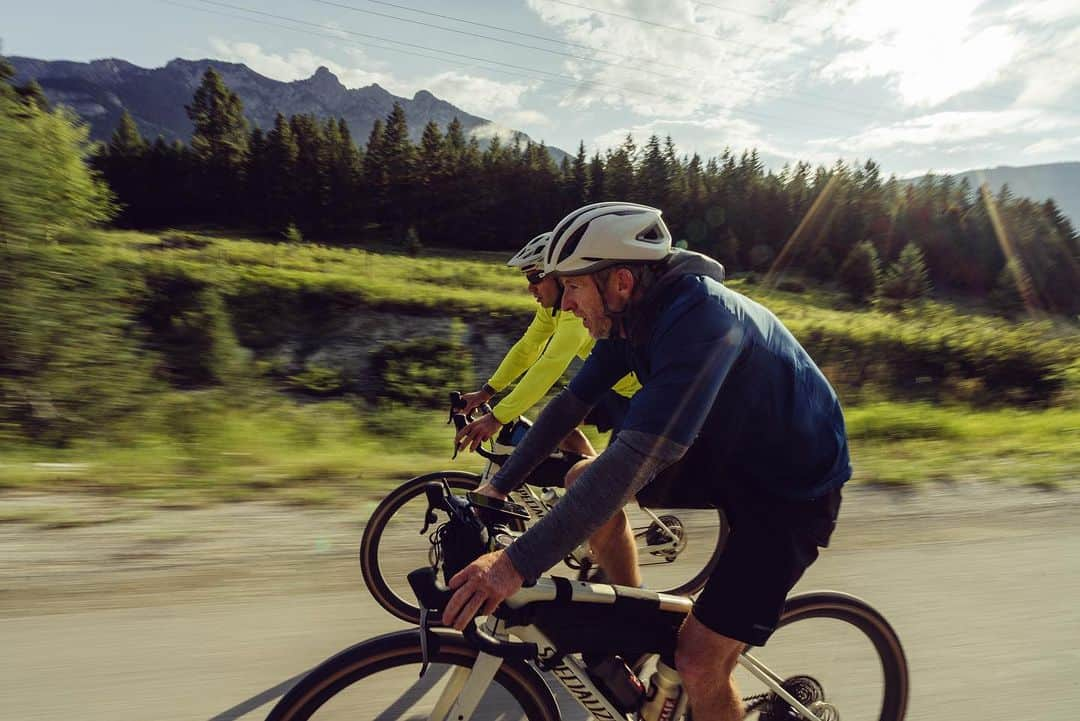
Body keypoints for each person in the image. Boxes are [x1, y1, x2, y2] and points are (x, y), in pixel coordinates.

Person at [446, 202, 851, 721]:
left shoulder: (701, 320)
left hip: (792, 486)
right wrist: (496, 489)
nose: (564, 303)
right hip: (731, 453)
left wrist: (510, 566)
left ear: (619, 281)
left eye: (572, 287)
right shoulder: (629, 320)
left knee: (700, 661)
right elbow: (569, 405)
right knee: (580, 476)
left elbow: (634, 461)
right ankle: (631, 618)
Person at [456, 231, 639, 457]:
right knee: (553, 422)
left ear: (560, 276)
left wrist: (497, 418)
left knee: (613, 481)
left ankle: (587, 483)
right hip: (614, 389)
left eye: (535, 279)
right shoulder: (550, 310)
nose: (530, 288)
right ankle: (583, 479)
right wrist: (487, 391)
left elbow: (550, 364)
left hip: (641, 394)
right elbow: (527, 348)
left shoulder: (578, 313)